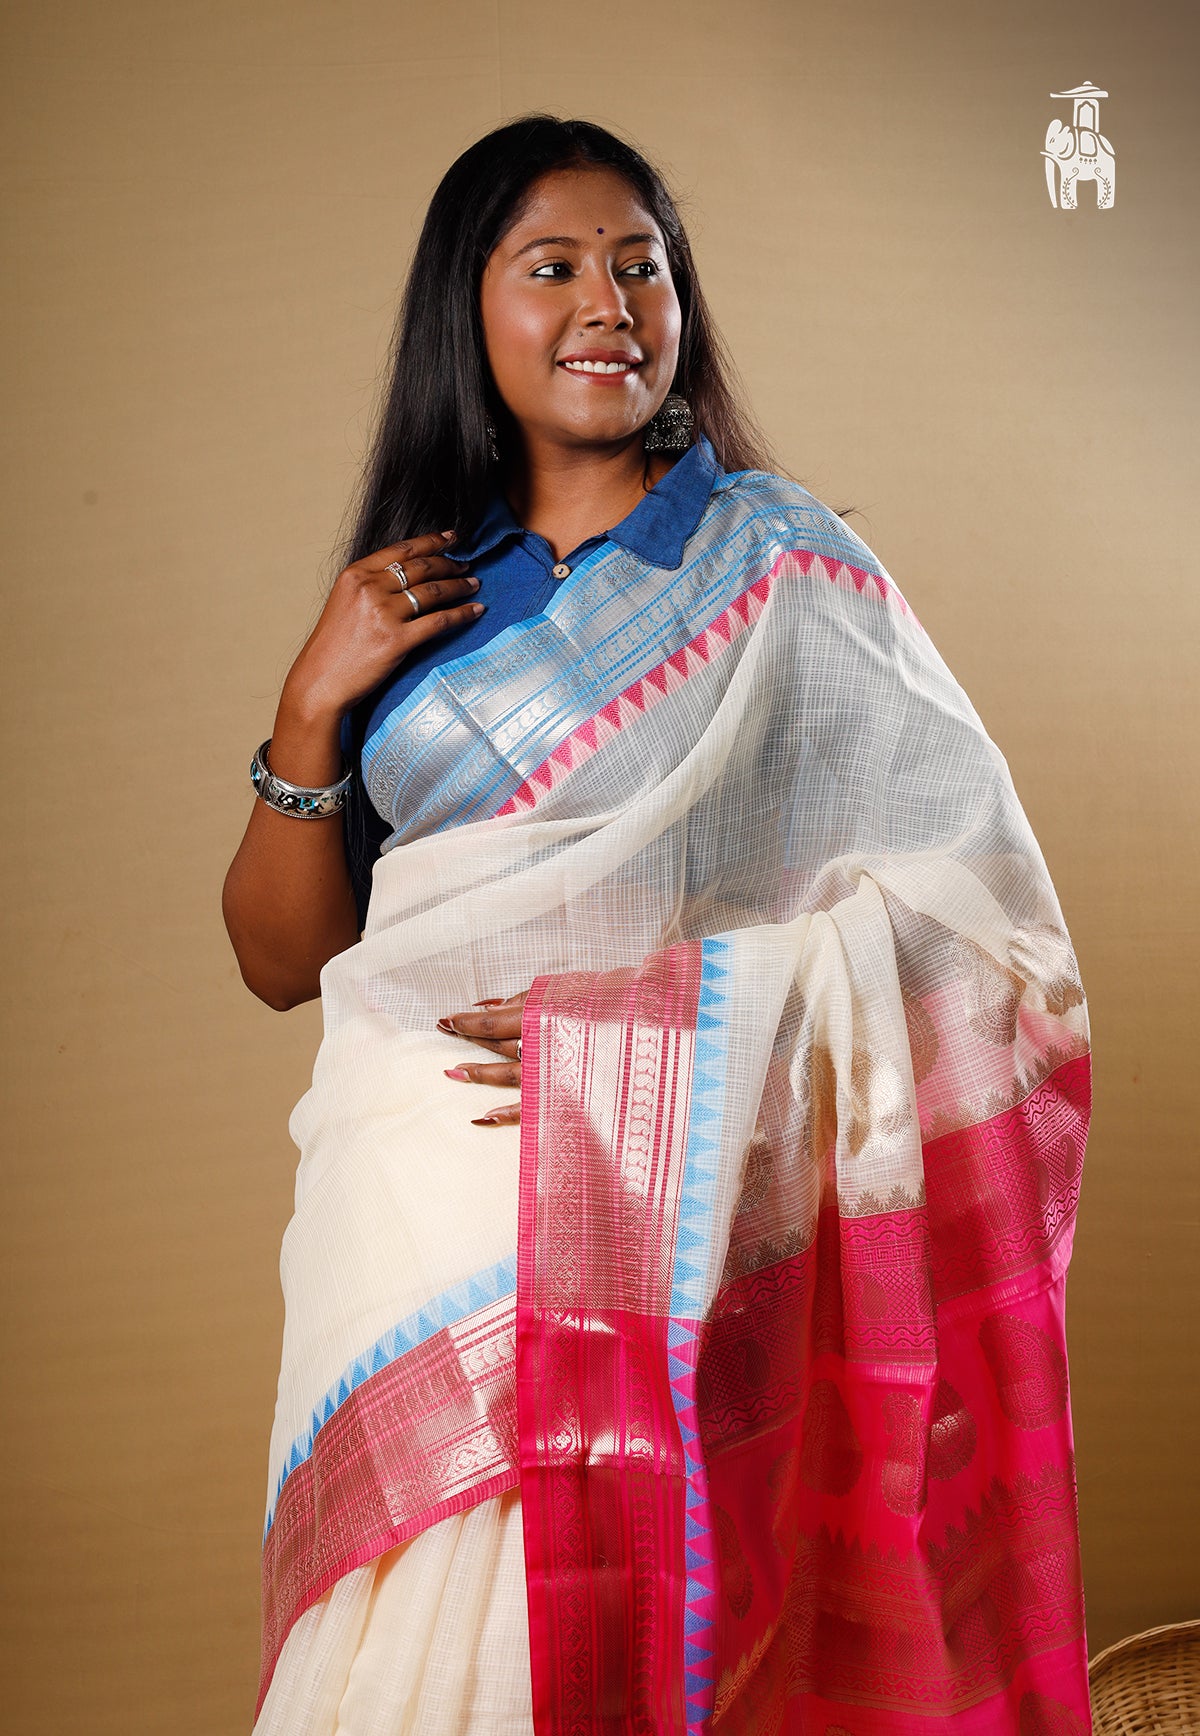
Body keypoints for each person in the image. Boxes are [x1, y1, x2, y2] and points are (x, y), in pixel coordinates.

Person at [223, 115, 1095, 1736]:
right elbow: (284, 962)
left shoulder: (782, 565)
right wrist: (308, 708)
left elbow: (994, 942)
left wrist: (669, 1027)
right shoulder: (414, 595)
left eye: (643, 266)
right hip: (407, 1209)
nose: (607, 304)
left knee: (634, 1633)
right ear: (469, 309)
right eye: (552, 266)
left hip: (665, 1192)